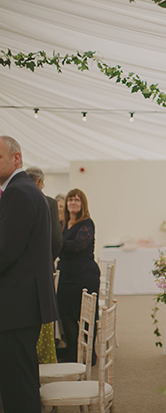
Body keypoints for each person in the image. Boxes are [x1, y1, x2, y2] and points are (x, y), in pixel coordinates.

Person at [0, 135, 58, 413]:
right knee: (21, 380)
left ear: (16, 158)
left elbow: (5, 250)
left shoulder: (18, 191)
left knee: (18, 389)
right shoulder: (26, 189)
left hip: (15, 306)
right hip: (23, 303)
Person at [57, 189, 101, 363]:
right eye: (70, 200)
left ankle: (90, 353)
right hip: (67, 275)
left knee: (86, 315)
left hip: (85, 275)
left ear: (83, 204)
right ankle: (73, 352)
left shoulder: (87, 223)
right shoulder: (63, 223)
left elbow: (77, 245)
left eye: (77, 200)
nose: (73, 203)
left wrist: (57, 242)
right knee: (66, 313)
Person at [25, 167, 62, 364]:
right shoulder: (48, 202)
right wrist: (49, 259)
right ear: (40, 183)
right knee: (43, 317)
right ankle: (46, 357)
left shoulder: (12, 198)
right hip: (44, 269)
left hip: (19, 274)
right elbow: (56, 239)